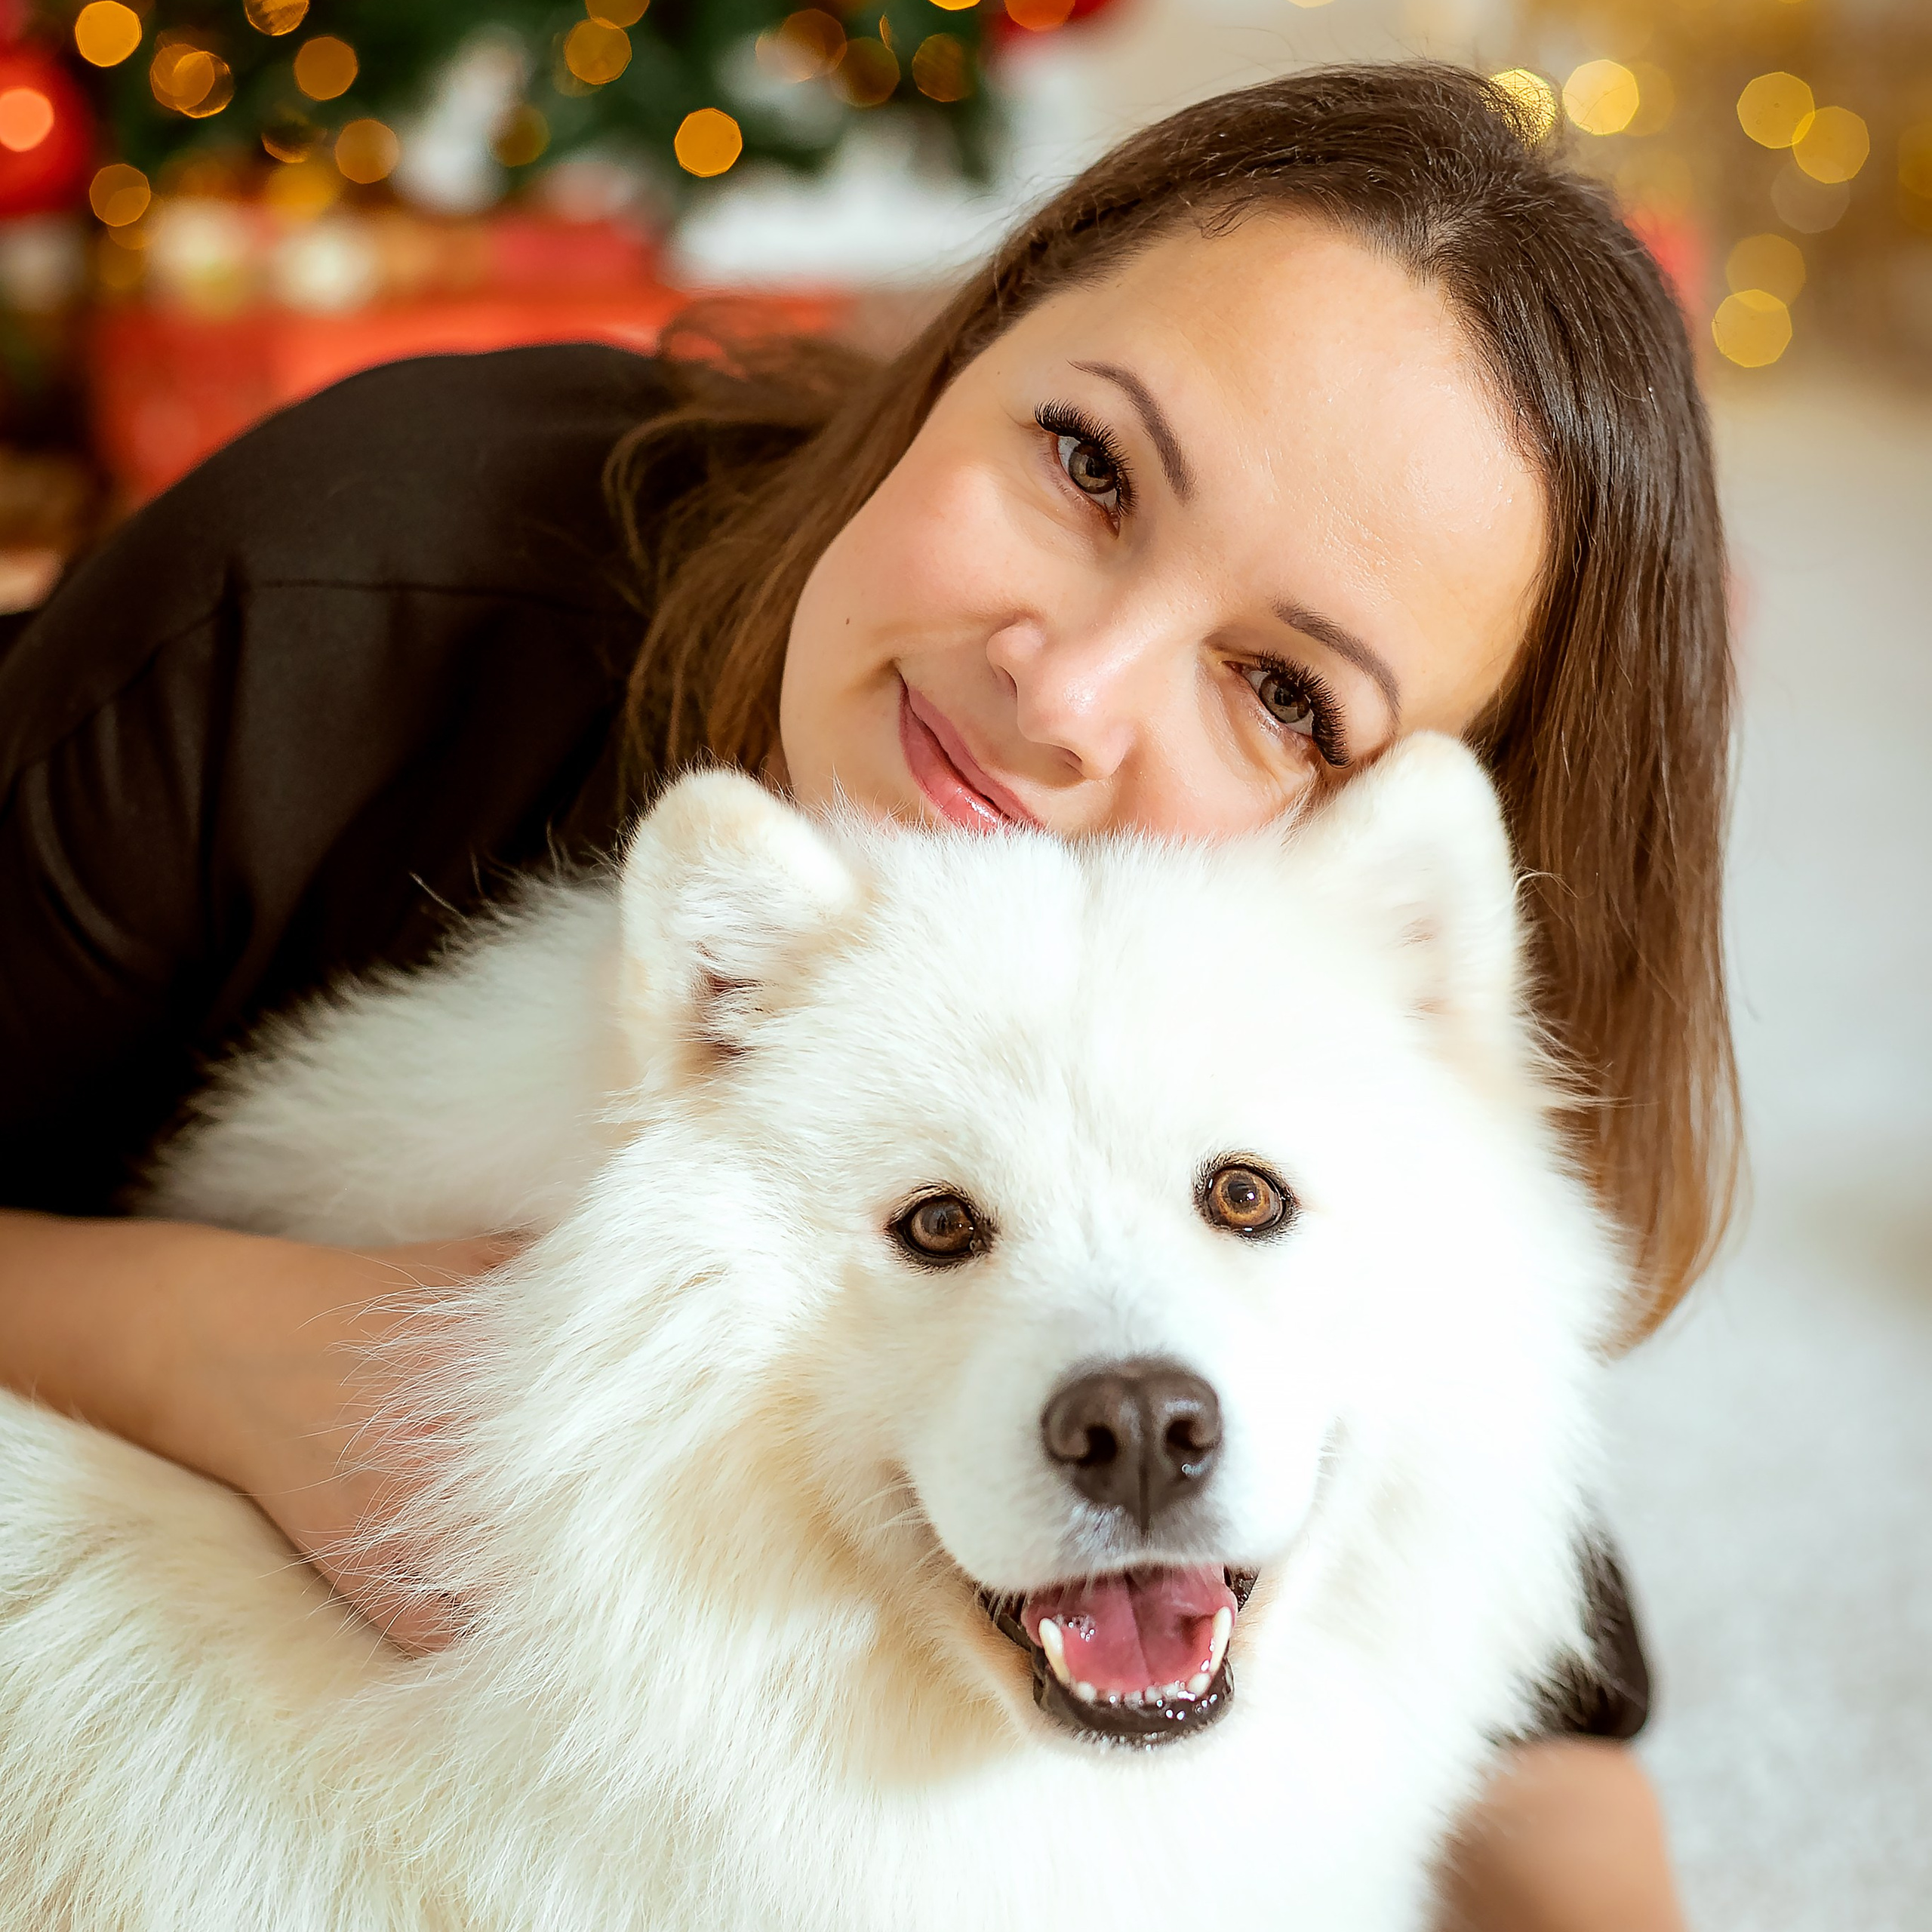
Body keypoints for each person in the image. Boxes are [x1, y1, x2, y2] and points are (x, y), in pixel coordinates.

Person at [0, 63, 1730, 1932]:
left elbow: (1501, 1610)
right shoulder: (319, 609)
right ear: (959, 342)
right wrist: (186, 1330)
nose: (1062, 692)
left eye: (1285, 692)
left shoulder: (1254, 1071)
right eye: (1087, 466)